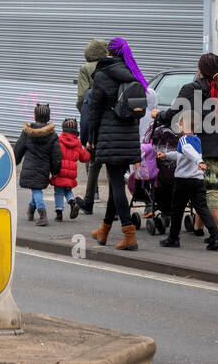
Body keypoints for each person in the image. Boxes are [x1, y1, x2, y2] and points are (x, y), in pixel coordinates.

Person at [152, 53, 218, 241]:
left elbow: (174, 114)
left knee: (212, 190)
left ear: (200, 70)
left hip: (208, 146)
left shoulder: (191, 89)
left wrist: (158, 115)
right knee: (205, 188)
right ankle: (198, 227)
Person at [88, 37, 147, 250]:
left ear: (109, 53)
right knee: (115, 185)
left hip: (110, 137)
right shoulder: (132, 73)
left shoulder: (103, 75)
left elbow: (93, 111)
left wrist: (90, 139)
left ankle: (129, 234)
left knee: (116, 185)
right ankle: (104, 230)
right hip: (128, 136)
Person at [156, 127, 218, 251]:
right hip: (198, 180)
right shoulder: (196, 139)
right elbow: (181, 154)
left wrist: (199, 161)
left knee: (177, 210)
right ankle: (215, 237)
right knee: (202, 208)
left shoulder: (184, 139)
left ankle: (173, 238)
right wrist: (166, 155)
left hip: (184, 180)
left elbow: (187, 151)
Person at [13, 102, 62, 228]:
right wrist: (55, 171)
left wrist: (14, 161)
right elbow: (56, 156)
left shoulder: (27, 132)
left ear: (35, 117)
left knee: (36, 189)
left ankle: (42, 215)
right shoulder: (53, 135)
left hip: (30, 167)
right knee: (37, 189)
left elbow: (19, 148)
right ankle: (31, 210)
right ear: (49, 118)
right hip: (43, 168)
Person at [75, 39, 107, 214]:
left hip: (92, 115)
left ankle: (92, 193)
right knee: (110, 159)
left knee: (91, 154)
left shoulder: (85, 69)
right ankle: (114, 202)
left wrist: (84, 111)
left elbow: (82, 96)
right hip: (109, 118)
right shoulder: (110, 65)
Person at [50, 117, 91, 220]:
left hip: (59, 171)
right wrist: (88, 151)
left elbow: (53, 154)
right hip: (71, 173)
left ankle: (59, 214)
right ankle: (73, 203)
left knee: (58, 191)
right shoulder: (77, 143)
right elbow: (84, 158)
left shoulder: (59, 140)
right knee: (68, 190)